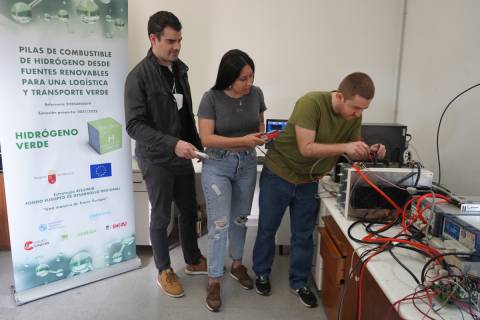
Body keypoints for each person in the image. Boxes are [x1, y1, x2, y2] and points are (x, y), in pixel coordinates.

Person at [252, 72, 386, 308]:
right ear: (340, 96)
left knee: (303, 235)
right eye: (355, 108)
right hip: (279, 174)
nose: (358, 114)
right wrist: (346, 146)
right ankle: (261, 273)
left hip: (309, 181)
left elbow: (351, 150)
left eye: (363, 110)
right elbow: (306, 148)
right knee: (267, 228)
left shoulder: (353, 116)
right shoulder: (311, 103)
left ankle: (299, 282)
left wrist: (370, 150)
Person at [124, 11, 207, 298]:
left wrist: (197, 146)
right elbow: (134, 126)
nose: (177, 46)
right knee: (161, 217)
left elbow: (186, 116)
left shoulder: (180, 70)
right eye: (171, 41)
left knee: (188, 209)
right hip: (156, 158)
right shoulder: (138, 77)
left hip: (181, 155)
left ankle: (194, 260)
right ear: (153, 38)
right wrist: (173, 144)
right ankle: (164, 270)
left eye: (180, 40)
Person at [197, 49, 266, 312]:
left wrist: (260, 136)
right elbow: (206, 138)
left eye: (251, 77)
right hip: (217, 164)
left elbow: (260, 125)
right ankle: (214, 278)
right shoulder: (210, 98)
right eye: (243, 79)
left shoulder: (256, 94)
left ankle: (237, 264)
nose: (249, 83)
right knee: (219, 224)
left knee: (240, 218)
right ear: (228, 78)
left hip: (247, 163)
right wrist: (243, 140)